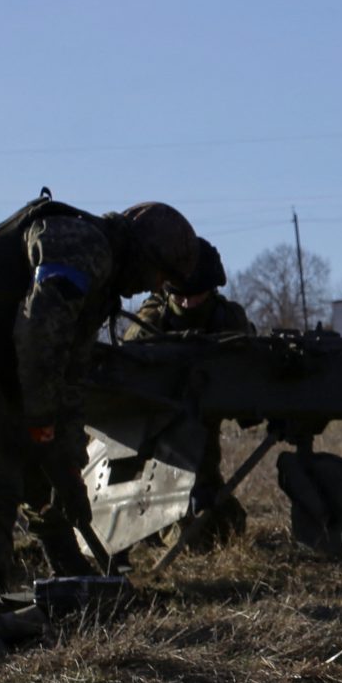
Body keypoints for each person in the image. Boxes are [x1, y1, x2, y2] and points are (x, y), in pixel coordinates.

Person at [0, 195, 203, 591]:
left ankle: (72, 574)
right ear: (144, 254)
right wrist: (41, 427)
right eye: (160, 277)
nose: (152, 289)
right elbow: (39, 336)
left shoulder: (100, 281)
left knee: (43, 472)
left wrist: (66, 463)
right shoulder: (83, 247)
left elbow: (70, 377)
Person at [119, 234, 256, 546]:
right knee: (180, 523)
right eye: (180, 296)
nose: (187, 303)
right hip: (153, 426)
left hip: (203, 427)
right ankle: (152, 524)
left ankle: (203, 508)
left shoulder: (227, 317)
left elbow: (247, 364)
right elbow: (130, 364)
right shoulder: (151, 320)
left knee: (224, 522)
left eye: (196, 296)